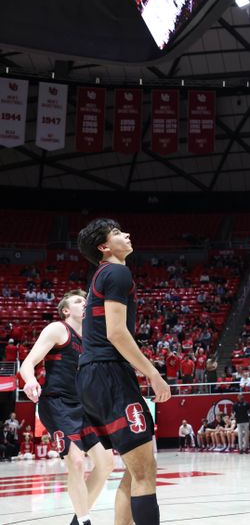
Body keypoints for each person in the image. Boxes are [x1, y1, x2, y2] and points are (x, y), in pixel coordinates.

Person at [76, 218, 171, 525]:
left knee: (134, 472)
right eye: (117, 233)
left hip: (93, 376)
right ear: (104, 246)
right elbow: (116, 333)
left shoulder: (100, 276)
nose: (127, 234)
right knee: (144, 472)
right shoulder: (117, 271)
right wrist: (152, 373)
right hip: (109, 374)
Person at [19, 289, 115, 525]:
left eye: (86, 300)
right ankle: (84, 521)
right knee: (77, 461)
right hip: (57, 403)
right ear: (65, 310)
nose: (84, 303)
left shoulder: (93, 338)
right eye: (77, 301)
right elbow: (28, 363)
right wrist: (30, 380)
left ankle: (78, 519)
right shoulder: (58, 329)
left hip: (85, 405)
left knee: (107, 464)